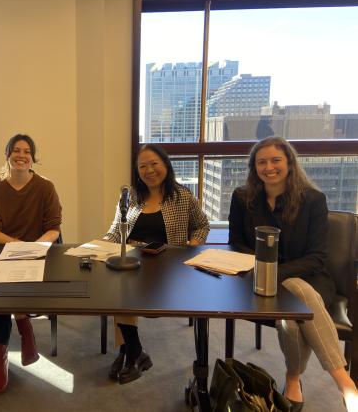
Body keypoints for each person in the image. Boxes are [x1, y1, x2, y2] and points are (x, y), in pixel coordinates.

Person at [228, 136, 358, 412]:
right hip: (263, 279)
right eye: (261, 162)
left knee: (295, 296)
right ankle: (339, 383)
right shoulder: (243, 198)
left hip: (311, 277)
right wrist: (265, 270)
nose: (269, 167)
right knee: (289, 319)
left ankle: (302, 378)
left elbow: (317, 257)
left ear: (289, 162)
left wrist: (279, 273)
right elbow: (236, 243)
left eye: (276, 160)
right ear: (254, 167)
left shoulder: (313, 200)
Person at [104, 144, 209, 384]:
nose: (149, 170)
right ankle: (132, 351)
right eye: (143, 166)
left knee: (125, 292)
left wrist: (193, 244)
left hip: (167, 267)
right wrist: (94, 248)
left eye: (154, 164)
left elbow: (202, 225)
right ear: (137, 171)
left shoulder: (182, 196)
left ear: (166, 165)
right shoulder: (130, 197)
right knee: (117, 286)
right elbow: (113, 233)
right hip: (133, 260)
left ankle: (130, 352)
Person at [0, 133, 62, 394]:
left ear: (33, 157)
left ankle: (13, 339)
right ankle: (11, 341)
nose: (21, 155)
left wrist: (32, 249)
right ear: (7, 155)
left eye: (27, 151)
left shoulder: (45, 187)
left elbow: (54, 227)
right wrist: (15, 247)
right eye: (16, 150)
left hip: (38, 251)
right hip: (3, 249)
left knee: (8, 284)